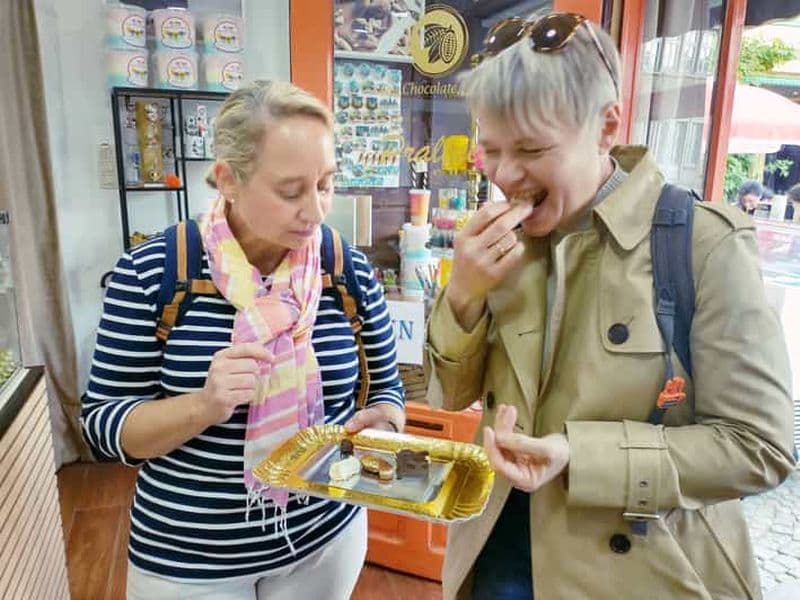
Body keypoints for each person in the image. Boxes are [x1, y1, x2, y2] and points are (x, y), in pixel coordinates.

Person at [426, 12, 795, 600]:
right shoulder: (500, 244)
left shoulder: (702, 243)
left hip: (641, 569)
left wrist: (579, 455)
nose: (506, 175)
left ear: (607, 125)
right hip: (495, 553)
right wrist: (463, 295)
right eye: (490, 150)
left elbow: (758, 447)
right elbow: (449, 397)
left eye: (531, 148)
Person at [81, 80, 405, 600]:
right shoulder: (155, 273)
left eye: (325, 183)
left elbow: (386, 388)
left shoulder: (344, 270)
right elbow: (102, 426)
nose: (317, 212)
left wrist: (385, 422)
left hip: (327, 538)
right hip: (191, 560)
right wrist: (204, 406)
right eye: (290, 191)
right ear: (229, 180)